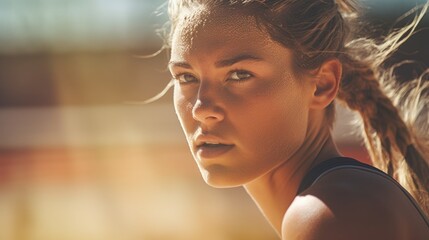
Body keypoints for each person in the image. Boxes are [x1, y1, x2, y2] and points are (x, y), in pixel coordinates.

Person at [157, 0, 429, 239]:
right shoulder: (344, 201)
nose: (201, 108)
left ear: (322, 84)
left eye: (239, 75)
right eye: (186, 77)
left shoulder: (334, 213)